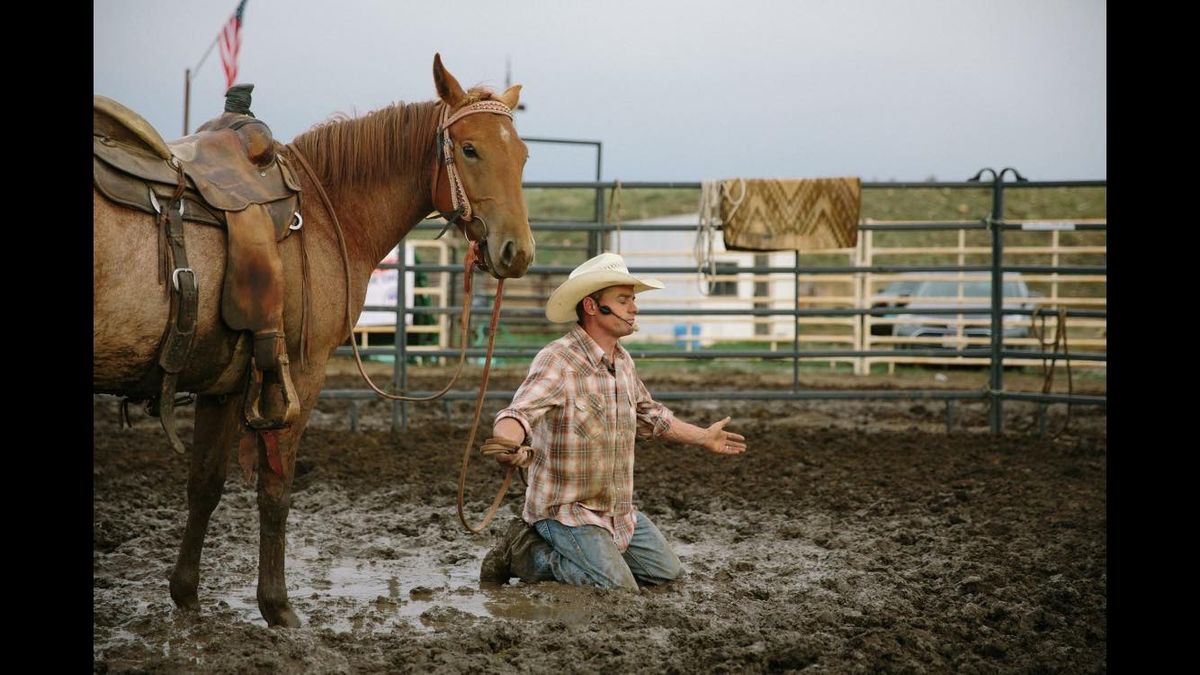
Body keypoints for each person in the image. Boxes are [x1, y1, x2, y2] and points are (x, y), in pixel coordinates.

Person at [479, 252, 747, 590]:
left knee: (668, 575)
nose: (634, 308)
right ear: (593, 307)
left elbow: (650, 415)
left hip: (616, 511)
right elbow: (519, 413)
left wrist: (702, 437)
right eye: (623, 300)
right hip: (565, 512)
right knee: (617, 589)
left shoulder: (622, 361)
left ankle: (591, 556)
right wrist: (507, 443)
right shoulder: (558, 360)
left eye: (633, 299)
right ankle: (523, 555)